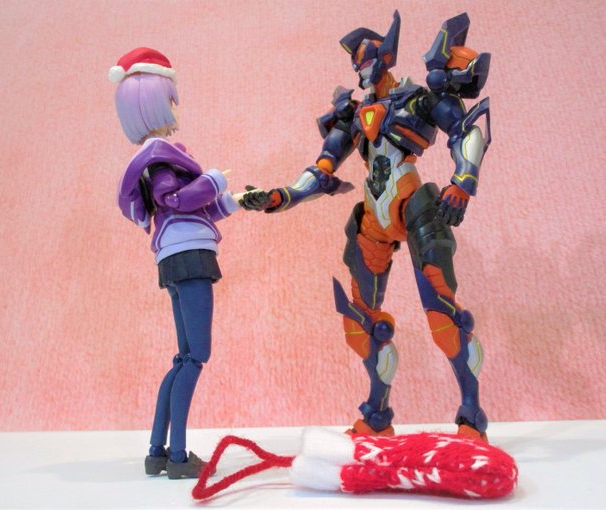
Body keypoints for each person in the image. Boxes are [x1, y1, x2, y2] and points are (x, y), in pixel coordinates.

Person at [242, 12, 492, 440]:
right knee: (362, 322)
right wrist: (281, 196)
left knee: (443, 315)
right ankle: (377, 417)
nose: (361, 68)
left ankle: (471, 415)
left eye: (367, 58)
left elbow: (466, 131)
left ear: (386, 56)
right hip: (374, 218)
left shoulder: (417, 99)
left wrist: (463, 181)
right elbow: (322, 171)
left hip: (414, 206)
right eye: (356, 62)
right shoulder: (354, 115)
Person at [110, 47, 244, 478]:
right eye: (170, 100)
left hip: (177, 254)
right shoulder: (159, 154)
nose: (174, 108)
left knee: (185, 356)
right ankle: (179, 456)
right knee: (196, 355)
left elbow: (188, 211)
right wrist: (213, 181)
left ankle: (157, 450)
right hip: (189, 258)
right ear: (154, 104)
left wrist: (235, 201)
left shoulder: (158, 155)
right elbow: (173, 199)